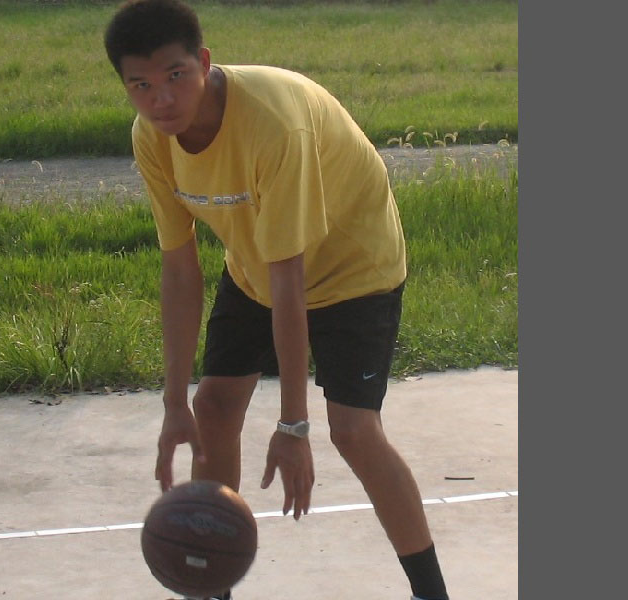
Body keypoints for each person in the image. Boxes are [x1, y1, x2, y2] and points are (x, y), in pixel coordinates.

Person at [104, 2, 449, 599]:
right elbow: (180, 271)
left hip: (352, 266)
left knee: (353, 431)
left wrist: (293, 424)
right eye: (142, 85)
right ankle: (210, 588)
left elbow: (292, 279)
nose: (162, 99)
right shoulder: (152, 138)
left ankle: (431, 592)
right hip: (256, 264)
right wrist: (173, 403)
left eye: (175, 75)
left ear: (203, 62)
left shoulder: (272, 122)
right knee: (212, 409)